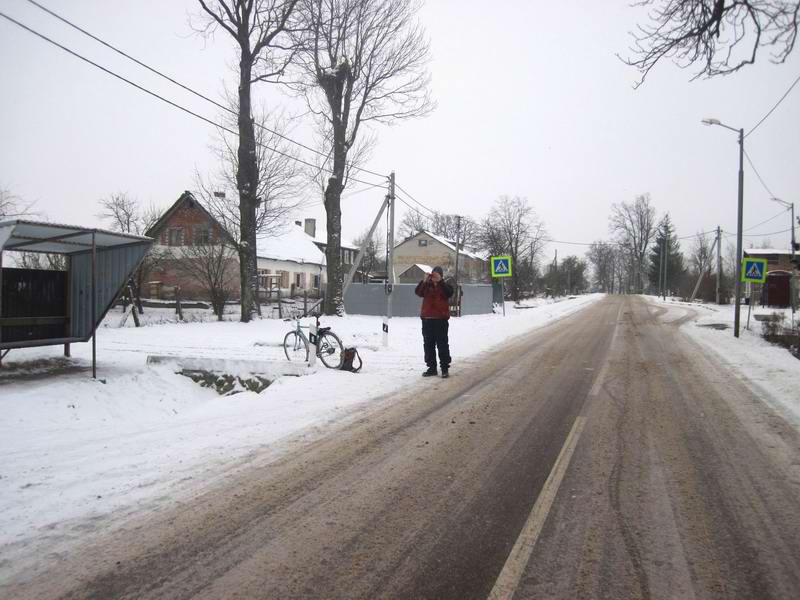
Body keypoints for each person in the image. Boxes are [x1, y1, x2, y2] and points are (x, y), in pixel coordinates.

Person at [414, 266, 453, 378]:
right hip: (427, 320)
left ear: (441, 276)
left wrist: (440, 281)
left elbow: (449, 293)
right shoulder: (426, 286)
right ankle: (431, 368)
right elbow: (418, 292)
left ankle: (444, 368)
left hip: (441, 320)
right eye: (433, 274)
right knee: (428, 345)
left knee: (442, 345)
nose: (434, 277)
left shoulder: (445, 285)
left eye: (437, 275)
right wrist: (424, 281)